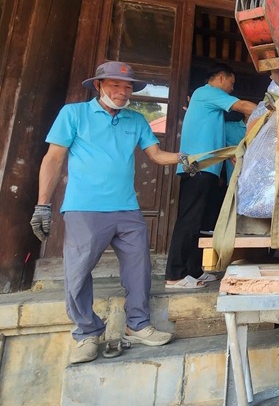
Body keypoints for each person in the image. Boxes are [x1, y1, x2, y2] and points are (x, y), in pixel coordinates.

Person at [30, 61, 179, 364]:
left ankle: (137, 325)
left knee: (139, 268)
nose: (123, 92)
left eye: (128, 87)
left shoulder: (136, 120)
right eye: (115, 85)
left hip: (127, 208)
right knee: (78, 272)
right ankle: (86, 333)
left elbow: (157, 155)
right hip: (84, 207)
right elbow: (53, 159)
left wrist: (189, 159)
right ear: (97, 85)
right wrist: (42, 205)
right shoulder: (73, 114)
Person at [166, 64, 256, 289]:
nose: (231, 88)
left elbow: (214, 138)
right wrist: (272, 111)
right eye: (231, 83)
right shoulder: (206, 92)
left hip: (209, 171)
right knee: (189, 221)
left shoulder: (211, 110)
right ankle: (175, 275)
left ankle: (194, 271)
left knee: (202, 223)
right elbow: (243, 106)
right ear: (222, 78)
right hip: (197, 169)